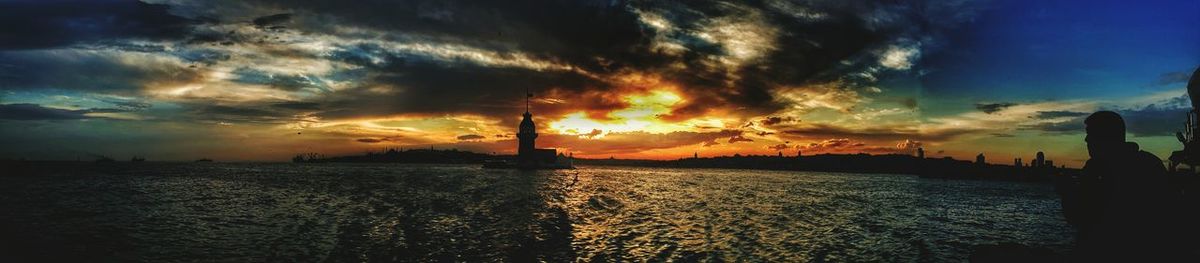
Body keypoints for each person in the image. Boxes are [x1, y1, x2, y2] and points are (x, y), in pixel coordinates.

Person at [1057, 111, 1179, 261]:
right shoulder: (1150, 163)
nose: (1086, 139)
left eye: (1091, 134)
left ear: (1104, 136)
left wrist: (1067, 192)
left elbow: (1080, 216)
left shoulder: (1097, 169)